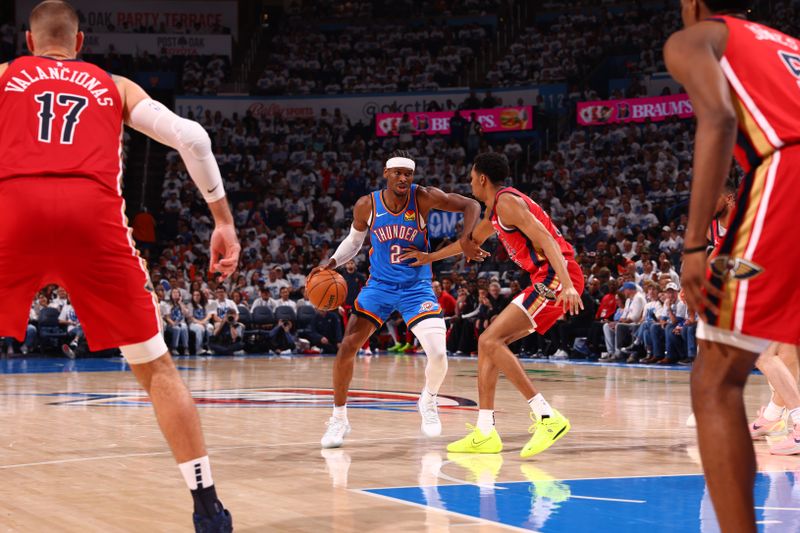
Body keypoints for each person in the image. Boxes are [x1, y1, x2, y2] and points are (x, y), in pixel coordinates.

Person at [0, 3, 239, 530]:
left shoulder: (6, 76)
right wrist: (222, 219)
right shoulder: (114, 84)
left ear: (28, 40)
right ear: (80, 41)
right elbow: (193, 138)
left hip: (13, 212)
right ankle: (207, 508)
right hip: (93, 216)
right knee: (155, 367)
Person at [665, 1, 800, 530]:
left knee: (715, 378)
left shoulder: (694, 38)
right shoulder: (784, 42)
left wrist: (694, 244)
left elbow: (718, 118)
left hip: (786, 167)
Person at [401, 152, 583, 458]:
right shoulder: (495, 212)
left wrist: (566, 285)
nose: (470, 182)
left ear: (482, 178)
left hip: (555, 277)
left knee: (489, 339)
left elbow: (548, 240)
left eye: (472, 177)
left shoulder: (508, 202)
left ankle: (547, 417)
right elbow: (468, 242)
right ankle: (485, 432)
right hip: (544, 277)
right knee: (487, 345)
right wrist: (428, 258)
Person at [310, 149, 482, 448]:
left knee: (439, 355)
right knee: (347, 347)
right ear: (386, 174)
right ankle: (339, 418)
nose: (404, 178)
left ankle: (428, 400)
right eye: (398, 173)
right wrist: (331, 263)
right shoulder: (367, 205)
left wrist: (466, 239)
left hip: (417, 287)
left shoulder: (424, 197)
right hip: (379, 286)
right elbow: (354, 241)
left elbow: (471, 204)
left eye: (408, 174)